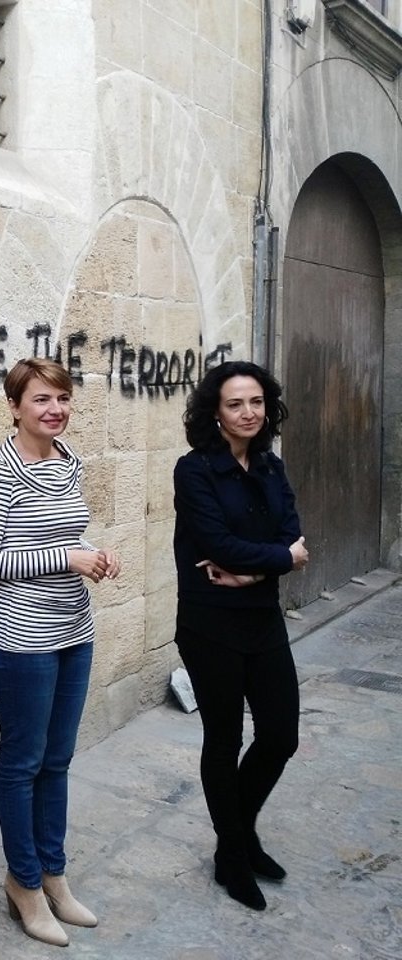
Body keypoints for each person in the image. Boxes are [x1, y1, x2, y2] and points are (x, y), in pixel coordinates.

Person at [0, 357, 120, 948]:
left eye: (61, 398)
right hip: (20, 640)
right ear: (14, 407)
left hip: (72, 631)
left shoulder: (68, 461)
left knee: (57, 761)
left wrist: (95, 554)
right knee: (24, 762)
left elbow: (63, 534)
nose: (54, 409)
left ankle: (53, 875)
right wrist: (68, 558)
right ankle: (23, 883)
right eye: (40, 400)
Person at [172, 359, 309, 911]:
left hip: (261, 616)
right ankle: (232, 854)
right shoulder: (194, 470)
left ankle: (239, 832)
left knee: (281, 735)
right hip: (210, 625)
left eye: (256, 402)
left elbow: (293, 538)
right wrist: (278, 558)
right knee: (224, 740)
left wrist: (258, 569)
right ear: (216, 412)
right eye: (235, 404)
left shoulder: (272, 467)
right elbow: (218, 543)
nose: (248, 412)